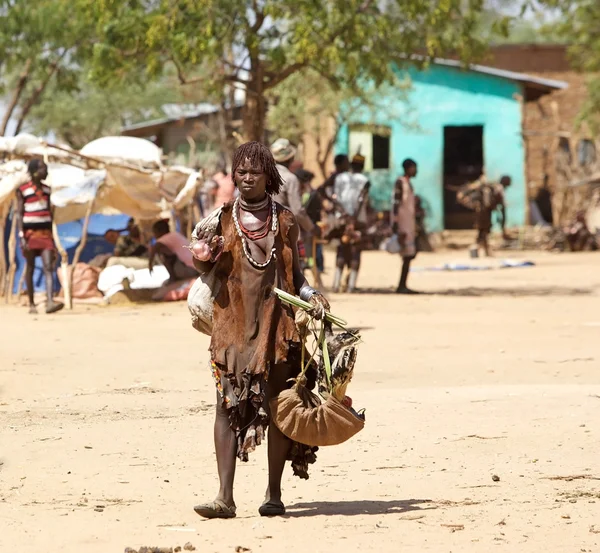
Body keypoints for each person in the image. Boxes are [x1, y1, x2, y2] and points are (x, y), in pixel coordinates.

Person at [190, 141, 330, 519]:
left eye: (255, 171)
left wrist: (312, 294)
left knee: (279, 407)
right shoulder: (219, 219)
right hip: (232, 327)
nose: (247, 177)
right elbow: (202, 267)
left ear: (270, 176)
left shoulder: (285, 221)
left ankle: (274, 493)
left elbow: (295, 274)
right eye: (241, 171)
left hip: (277, 327)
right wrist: (206, 254)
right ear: (233, 175)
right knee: (225, 406)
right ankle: (224, 497)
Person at [15, 159, 63, 314]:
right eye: (44, 169)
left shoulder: (48, 190)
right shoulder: (23, 190)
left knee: (49, 267)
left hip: (45, 235)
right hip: (29, 234)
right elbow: (19, 214)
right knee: (30, 268)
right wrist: (22, 236)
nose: (46, 172)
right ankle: (31, 304)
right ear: (35, 171)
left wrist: (52, 237)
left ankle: (49, 302)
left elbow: (49, 213)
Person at [332, 153, 370, 293]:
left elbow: (335, 198)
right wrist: (353, 219)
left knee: (342, 249)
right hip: (358, 220)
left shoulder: (340, 178)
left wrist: (345, 216)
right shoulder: (365, 180)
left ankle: (336, 284)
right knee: (356, 250)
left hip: (341, 219)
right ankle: (351, 286)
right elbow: (361, 201)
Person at [270, 138, 316, 235]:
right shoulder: (290, 179)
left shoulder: (265, 176)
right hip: (284, 233)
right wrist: (312, 228)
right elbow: (298, 211)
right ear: (291, 158)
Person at [457, 174, 511, 257]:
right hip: (485, 213)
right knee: (484, 231)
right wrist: (502, 226)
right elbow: (502, 207)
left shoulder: (493, 188)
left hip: (482, 212)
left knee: (483, 231)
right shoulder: (499, 189)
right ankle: (478, 250)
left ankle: (485, 251)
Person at [391, 159, 419, 294]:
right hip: (403, 224)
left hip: (409, 224)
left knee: (410, 255)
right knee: (407, 256)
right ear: (408, 168)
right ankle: (401, 285)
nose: (416, 171)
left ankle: (403, 284)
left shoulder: (409, 184)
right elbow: (396, 203)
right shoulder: (400, 182)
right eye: (414, 168)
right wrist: (396, 223)